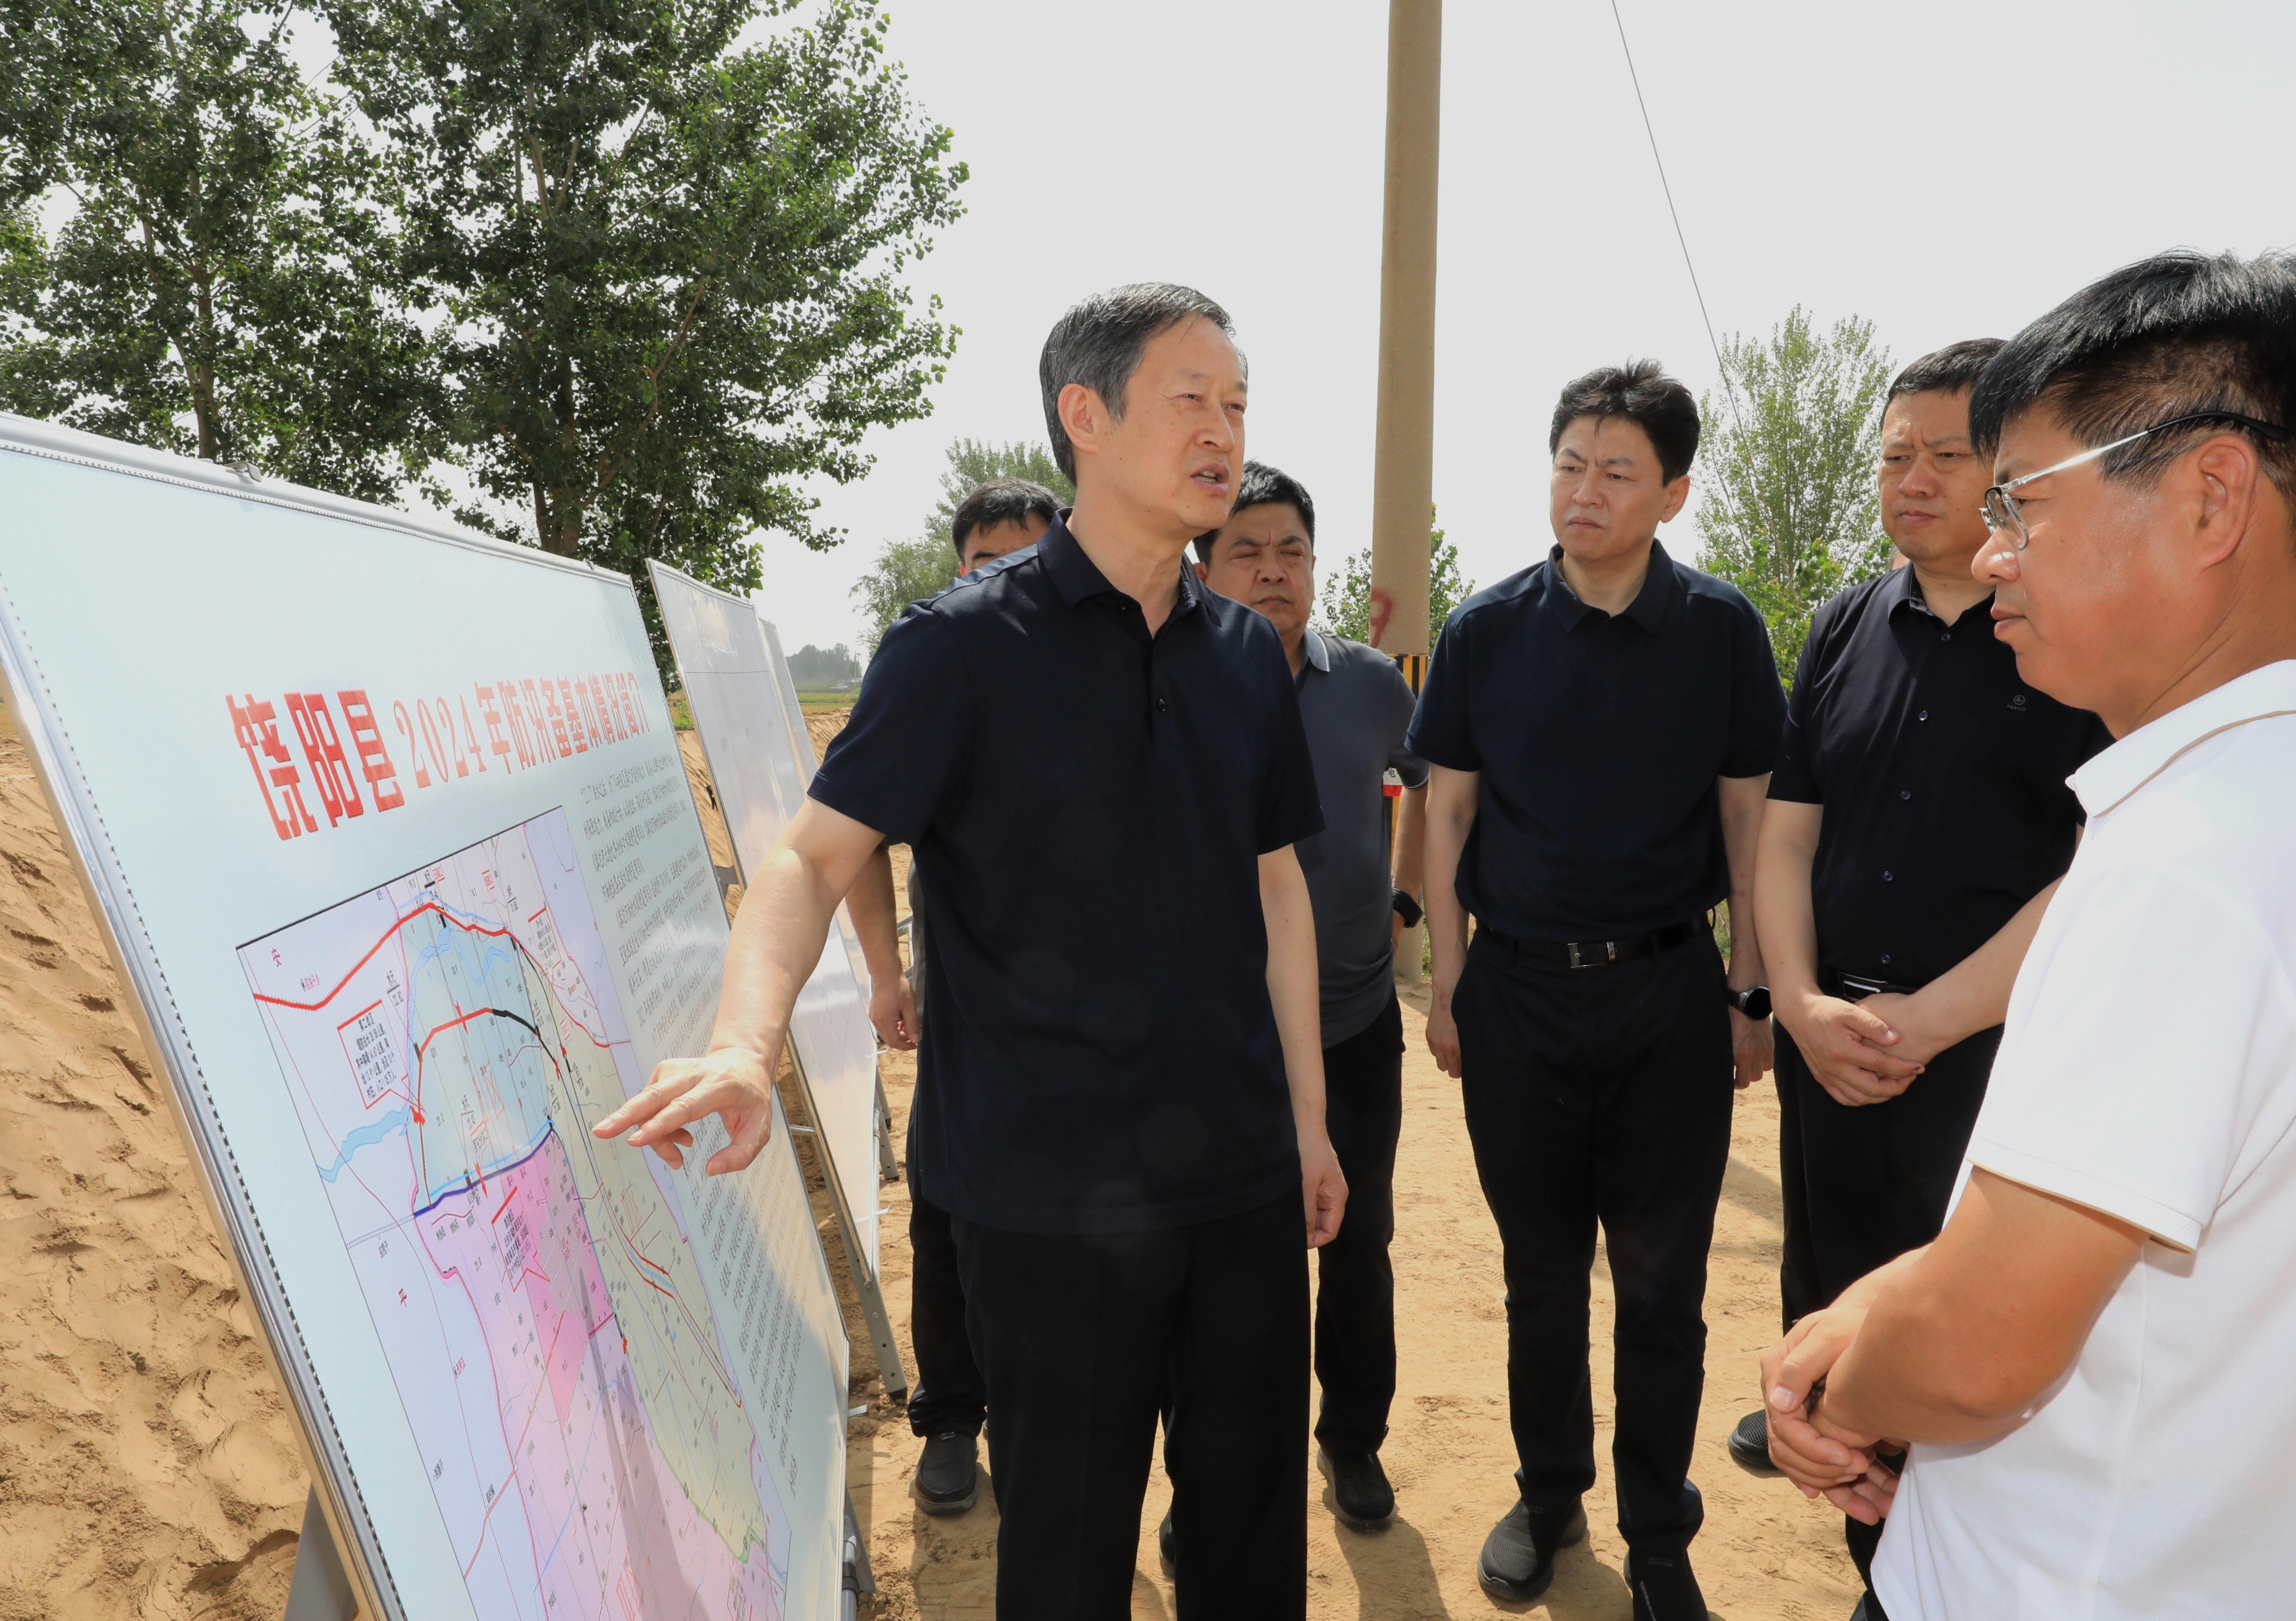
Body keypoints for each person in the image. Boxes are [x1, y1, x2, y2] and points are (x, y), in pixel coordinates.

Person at [598, 282, 1343, 1620]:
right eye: (1190, 398)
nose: (1223, 431)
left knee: (1248, 1548)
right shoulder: (957, 647)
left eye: (1237, 404)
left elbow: (1276, 889)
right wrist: (742, 1045)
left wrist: (1307, 1123)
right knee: (1064, 1555)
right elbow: (808, 860)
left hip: (1238, 1184)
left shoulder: (1241, 652)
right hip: (1047, 1199)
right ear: (1084, 417)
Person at [1761, 249, 2296, 1621]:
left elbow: (1979, 1347)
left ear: (2209, 495)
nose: (1993, 548)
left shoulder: (2184, 860)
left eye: (2022, 500)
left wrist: (1835, 1378)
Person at [1728, 342, 2110, 1615]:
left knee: (1973, 1354)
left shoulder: (2069, 636)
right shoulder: (1842, 624)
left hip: (1991, 1060)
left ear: (2009, 472)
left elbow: (2099, 863)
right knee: (1838, 1318)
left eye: (1947, 454)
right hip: (1829, 1046)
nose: (1913, 478)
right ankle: (1875, 1562)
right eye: (1894, 454)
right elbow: (1786, 835)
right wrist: (1797, 1003)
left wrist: (1930, 1020)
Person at [1412, 360, 1784, 1619]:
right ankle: (1548, 1495)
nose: (1584, 490)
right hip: (1515, 994)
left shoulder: (1721, 631)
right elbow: (1446, 813)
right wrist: (1447, 981)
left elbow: (1748, 819)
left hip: (1667, 995)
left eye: (1616, 471)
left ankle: (1657, 1532)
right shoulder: (1484, 630)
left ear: (1670, 493)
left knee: (1662, 1286)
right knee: (1540, 1276)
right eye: (1569, 464)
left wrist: (1746, 989)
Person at [1193, 459, 1428, 1530]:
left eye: (1290, 549)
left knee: (1357, 1241)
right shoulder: (1174, 679)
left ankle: (1352, 1442)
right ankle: (1210, 1470)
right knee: (1216, 1259)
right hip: (1216, 1036)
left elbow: (1429, 786)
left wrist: (1405, 902)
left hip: (1351, 1022)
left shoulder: (1372, 684)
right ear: (1204, 566)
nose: (1272, 570)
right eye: (1245, 550)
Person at [843, 474, 1062, 1514]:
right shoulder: (936, 666)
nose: (1006, 578)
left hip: (1087, 1035)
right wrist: (888, 974)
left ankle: (1040, 1418)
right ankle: (949, 1416)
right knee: (945, 1223)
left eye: (1028, 557)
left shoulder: (1103, 672)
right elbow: (850, 831)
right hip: (966, 1026)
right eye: (987, 561)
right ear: (958, 567)